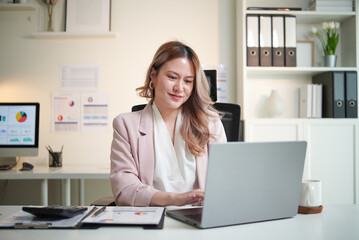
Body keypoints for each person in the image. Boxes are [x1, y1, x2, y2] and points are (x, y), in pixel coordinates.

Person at [110, 41, 226, 207]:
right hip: (150, 218)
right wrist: (176, 199)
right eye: (172, 77)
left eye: (188, 81)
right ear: (153, 75)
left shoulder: (211, 122)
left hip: (199, 219)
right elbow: (125, 190)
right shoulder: (126, 125)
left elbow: (224, 181)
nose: (179, 88)